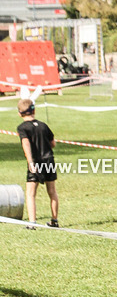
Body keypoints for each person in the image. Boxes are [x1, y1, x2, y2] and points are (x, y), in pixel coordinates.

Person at [17, 98, 59, 228]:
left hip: (35, 162)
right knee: (52, 191)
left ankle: (32, 222)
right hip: (49, 160)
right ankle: (54, 220)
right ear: (34, 110)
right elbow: (53, 143)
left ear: (19, 113)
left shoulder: (22, 127)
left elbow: (26, 143)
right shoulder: (43, 125)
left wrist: (30, 162)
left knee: (30, 193)